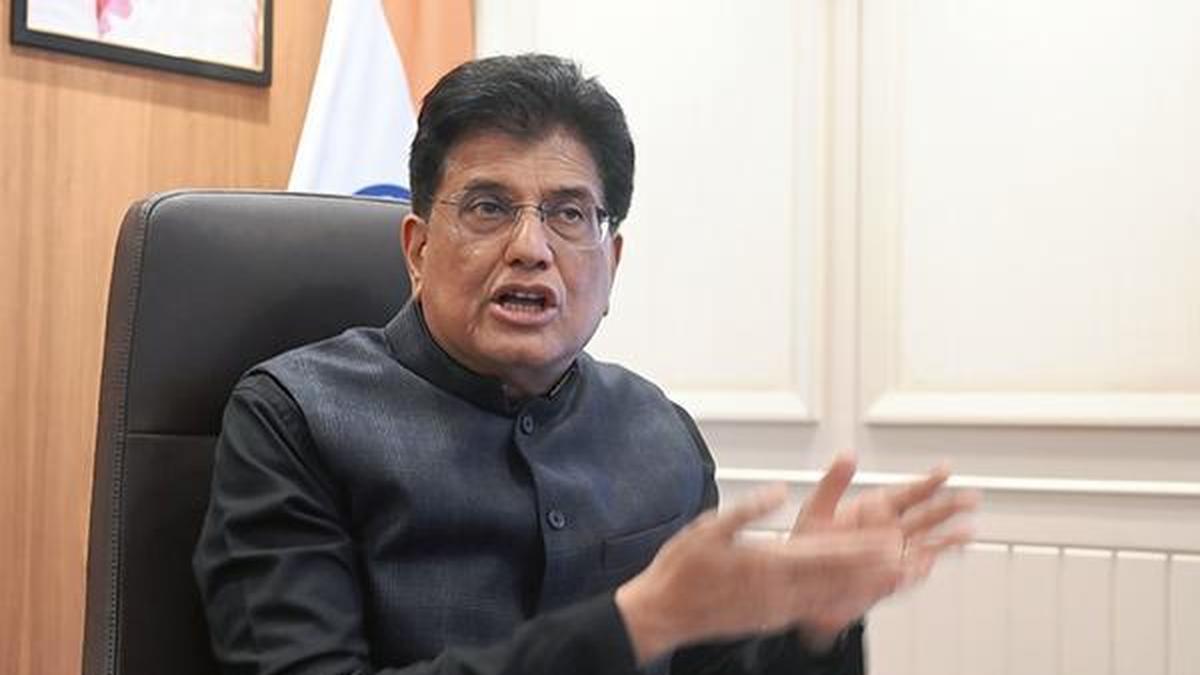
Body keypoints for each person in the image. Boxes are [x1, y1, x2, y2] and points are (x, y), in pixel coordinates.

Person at [193, 53, 976, 675]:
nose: (531, 247)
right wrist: (635, 623)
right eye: (489, 206)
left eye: (570, 213)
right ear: (419, 250)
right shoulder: (293, 418)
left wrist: (811, 618)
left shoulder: (660, 433)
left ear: (613, 262)